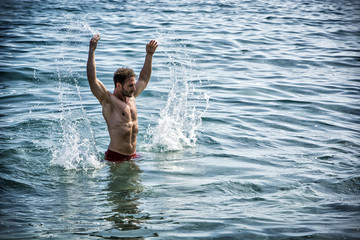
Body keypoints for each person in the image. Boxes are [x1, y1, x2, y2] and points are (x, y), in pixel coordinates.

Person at [87, 34, 158, 162]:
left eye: (133, 85)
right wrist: (92, 51)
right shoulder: (108, 101)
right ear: (119, 85)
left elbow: (144, 79)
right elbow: (93, 81)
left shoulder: (131, 96)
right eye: (130, 85)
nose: (134, 88)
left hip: (133, 155)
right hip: (116, 157)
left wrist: (149, 55)